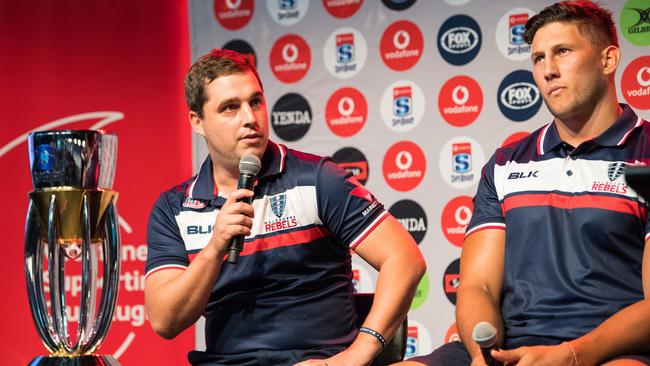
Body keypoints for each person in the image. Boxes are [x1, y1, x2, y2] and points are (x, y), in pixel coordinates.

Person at [400, 1, 650, 365]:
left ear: (608, 60)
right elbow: (477, 286)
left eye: (562, 52)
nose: (548, 71)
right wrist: (482, 352)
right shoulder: (506, 162)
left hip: (611, 351)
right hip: (513, 349)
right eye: (538, 59)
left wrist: (571, 355)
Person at [144, 48, 426, 366]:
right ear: (198, 122)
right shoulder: (174, 208)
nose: (250, 118)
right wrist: (215, 247)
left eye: (255, 101)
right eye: (230, 108)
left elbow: (404, 259)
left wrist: (357, 354)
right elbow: (165, 322)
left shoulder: (318, 179)